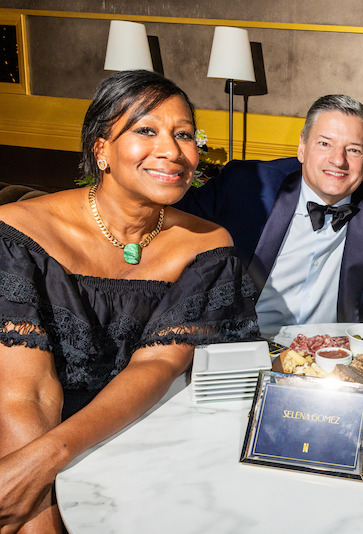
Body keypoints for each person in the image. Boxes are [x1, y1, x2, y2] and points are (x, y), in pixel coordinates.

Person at [0, 70, 258, 533]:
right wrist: (36, 489)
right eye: (146, 130)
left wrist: (51, 459)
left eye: (184, 134)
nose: (171, 150)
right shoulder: (17, 232)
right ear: (101, 149)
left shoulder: (206, 244)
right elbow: (25, 393)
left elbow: (156, 366)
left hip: (138, 432)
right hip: (21, 428)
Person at [175, 95, 363, 333]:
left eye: (354, 150)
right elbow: (171, 218)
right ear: (302, 147)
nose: (339, 160)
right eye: (325, 144)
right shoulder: (248, 185)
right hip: (243, 342)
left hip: (330, 349)